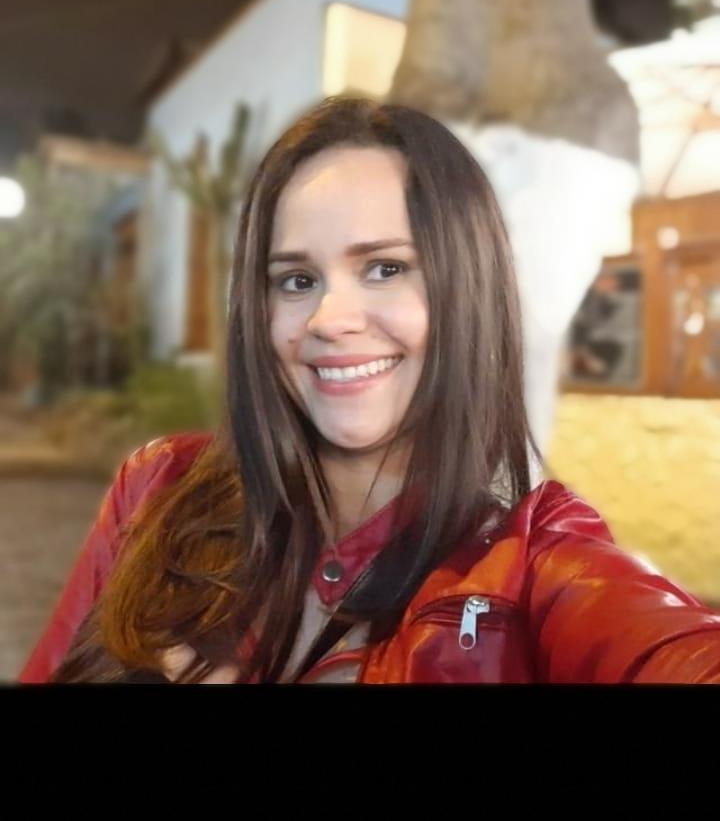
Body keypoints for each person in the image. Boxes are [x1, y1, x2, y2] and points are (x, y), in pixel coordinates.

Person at [19, 95, 720, 684]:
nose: (330, 319)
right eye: (297, 280)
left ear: (466, 291)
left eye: (385, 268)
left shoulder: (536, 569)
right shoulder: (156, 488)